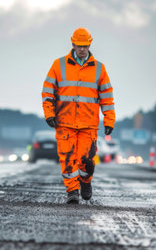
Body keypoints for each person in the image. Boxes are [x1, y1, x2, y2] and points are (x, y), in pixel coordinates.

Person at [41, 27, 116, 204]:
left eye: (85, 45)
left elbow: (107, 97)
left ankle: (85, 181)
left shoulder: (99, 69)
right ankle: (72, 191)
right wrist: (49, 114)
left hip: (88, 124)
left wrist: (109, 119)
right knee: (67, 158)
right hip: (64, 122)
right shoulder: (58, 65)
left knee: (86, 159)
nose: (82, 49)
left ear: (90, 44)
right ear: (73, 44)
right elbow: (47, 92)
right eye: (79, 45)